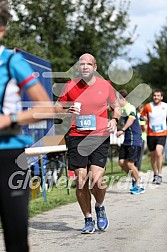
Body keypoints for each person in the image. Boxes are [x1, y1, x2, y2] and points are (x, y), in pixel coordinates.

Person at [0, 2, 57, 251]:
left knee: (15, 239)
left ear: (1, 29)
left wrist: (9, 120)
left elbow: (46, 107)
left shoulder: (12, 62)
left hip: (8, 156)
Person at [58, 53, 121, 234]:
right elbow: (57, 107)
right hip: (77, 136)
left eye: (88, 64)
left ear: (95, 67)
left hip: (99, 136)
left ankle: (99, 206)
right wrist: (65, 108)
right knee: (80, 180)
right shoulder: (70, 85)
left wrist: (115, 120)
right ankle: (88, 218)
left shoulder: (105, 85)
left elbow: (117, 106)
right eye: (81, 64)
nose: (84, 67)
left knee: (96, 180)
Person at [116, 90, 145, 195]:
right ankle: (136, 177)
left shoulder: (130, 107)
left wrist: (122, 129)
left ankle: (140, 184)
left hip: (134, 140)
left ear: (123, 99)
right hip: (126, 140)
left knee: (129, 163)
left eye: (117, 99)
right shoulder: (122, 109)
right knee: (121, 162)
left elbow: (131, 119)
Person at [141, 89, 167, 185]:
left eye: (158, 95)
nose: (156, 97)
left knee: (159, 153)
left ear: (161, 97)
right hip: (151, 134)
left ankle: (160, 175)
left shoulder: (165, 106)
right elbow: (142, 116)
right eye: (154, 95)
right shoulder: (148, 106)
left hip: (162, 133)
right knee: (153, 155)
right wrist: (143, 118)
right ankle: (155, 174)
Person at [135, 104, 147, 172]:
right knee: (139, 154)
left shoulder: (138, 116)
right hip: (141, 137)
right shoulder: (140, 116)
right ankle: (137, 169)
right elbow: (143, 128)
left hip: (140, 137)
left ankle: (137, 168)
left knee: (138, 154)